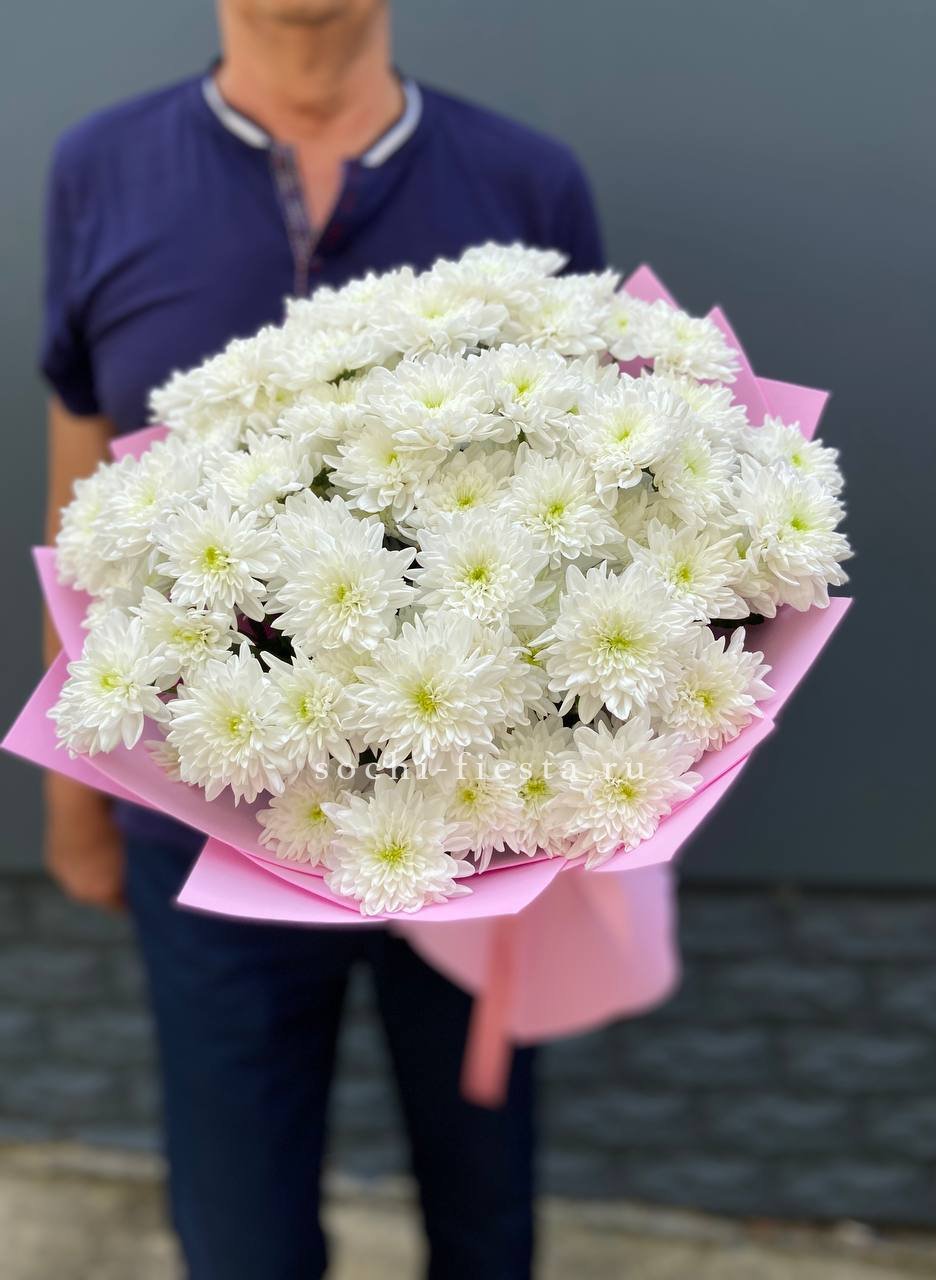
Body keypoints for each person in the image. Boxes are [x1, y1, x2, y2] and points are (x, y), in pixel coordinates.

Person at [41, 2, 604, 1276]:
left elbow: (598, 499)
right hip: (202, 821)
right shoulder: (102, 168)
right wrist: (73, 791)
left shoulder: (526, 179)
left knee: (485, 1207)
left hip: (480, 827)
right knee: (239, 1229)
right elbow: (78, 491)